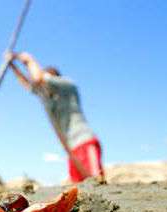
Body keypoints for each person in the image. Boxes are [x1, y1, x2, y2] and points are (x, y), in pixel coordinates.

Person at [7, 52, 105, 183]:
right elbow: (28, 84)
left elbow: (38, 78)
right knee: (79, 186)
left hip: (84, 141)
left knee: (96, 181)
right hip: (71, 149)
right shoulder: (47, 96)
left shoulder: (67, 86)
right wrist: (12, 66)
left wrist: (26, 59)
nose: (43, 88)